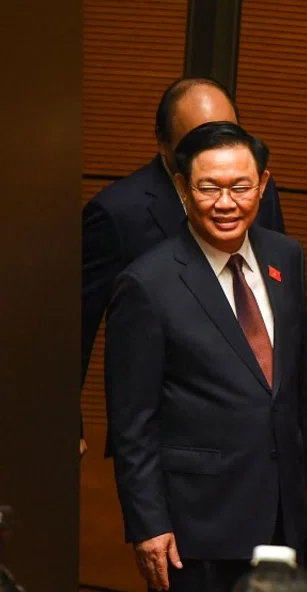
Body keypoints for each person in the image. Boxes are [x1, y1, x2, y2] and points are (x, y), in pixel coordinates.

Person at [105, 122, 307, 592]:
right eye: (209, 188)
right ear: (184, 189)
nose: (226, 203)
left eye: (240, 187)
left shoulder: (286, 257)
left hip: (282, 513)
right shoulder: (148, 282)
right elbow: (133, 423)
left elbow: (296, 381)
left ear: (263, 185)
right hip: (198, 522)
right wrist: (148, 524)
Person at [81, 77, 285, 457]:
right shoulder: (116, 214)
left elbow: (277, 306)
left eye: (226, 136)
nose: (214, 153)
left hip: (258, 436)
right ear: (163, 143)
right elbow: (75, 326)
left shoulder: (257, 190)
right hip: (169, 437)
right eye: (196, 143)